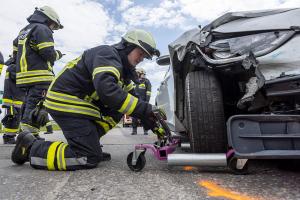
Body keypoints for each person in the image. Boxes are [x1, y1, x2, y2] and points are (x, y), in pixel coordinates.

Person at [11, 29, 165, 171]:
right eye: (141, 53)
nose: (141, 59)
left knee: (121, 108)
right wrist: (146, 109)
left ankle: (89, 143)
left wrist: (152, 121)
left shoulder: (123, 73)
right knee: (87, 157)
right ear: (128, 46)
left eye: (145, 57)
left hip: (78, 105)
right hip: (64, 101)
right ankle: (31, 147)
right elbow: (108, 91)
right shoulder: (107, 54)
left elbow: (134, 102)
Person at [14, 6, 63, 139]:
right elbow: (48, 53)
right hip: (40, 76)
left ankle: (25, 133)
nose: (53, 29)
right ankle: (29, 138)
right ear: (48, 19)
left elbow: (15, 53)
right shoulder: (42, 29)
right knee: (37, 105)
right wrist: (58, 54)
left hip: (24, 77)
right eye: (54, 25)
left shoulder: (23, 31)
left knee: (28, 104)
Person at [1, 53, 26, 144]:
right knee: (13, 118)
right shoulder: (13, 67)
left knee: (15, 118)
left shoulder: (13, 67)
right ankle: (8, 137)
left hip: (15, 97)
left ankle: (10, 136)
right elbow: (20, 80)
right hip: (13, 99)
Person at [131, 68, 152, 135]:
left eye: (143, 74)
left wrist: (146, 102)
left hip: (143, 102)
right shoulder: (134, 81)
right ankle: (134, 131)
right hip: (134, 102)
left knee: (144, 116)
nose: (143, 75)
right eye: (142, 74)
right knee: (134, 117)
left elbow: (148, 92)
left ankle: (145, 130)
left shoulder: (146, 81)